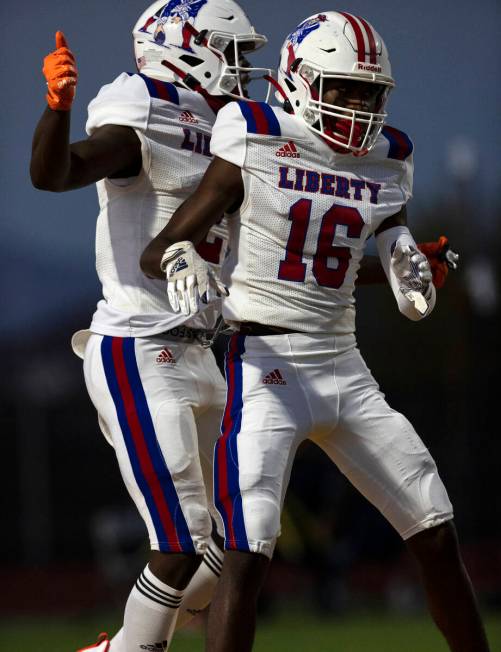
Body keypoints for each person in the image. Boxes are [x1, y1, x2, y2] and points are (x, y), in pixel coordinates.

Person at [141, 11, 489, 652]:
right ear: (300, 80)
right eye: (345, 89)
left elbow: (365, 254)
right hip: (262, 363)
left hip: (345, 365)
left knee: (435, 527)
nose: (359, 107)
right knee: (249, 553)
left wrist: (407, 261)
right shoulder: (256, 133)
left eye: (370, 93)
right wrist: (181, 256)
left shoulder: (388, 160)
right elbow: (160, 246)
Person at [30, 2, 272, 651]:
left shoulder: (229, 127)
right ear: (186, 48)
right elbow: (58, 173)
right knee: (185, 540)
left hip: (203, 348)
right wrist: (56, 110)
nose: (243, 68)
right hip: (139, 345)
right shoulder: (143, 108)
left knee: (236, 540)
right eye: (233, 51)